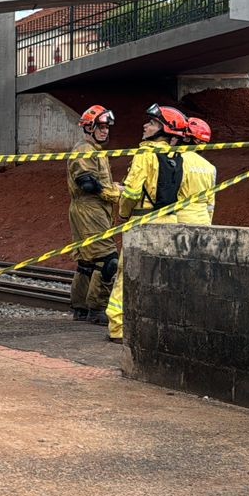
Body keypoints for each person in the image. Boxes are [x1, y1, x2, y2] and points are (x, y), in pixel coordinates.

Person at [105, 104, 190, 343]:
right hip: (169, 221)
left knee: (127, 273)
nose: (145, 125)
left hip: (143, 220)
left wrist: (123, 212)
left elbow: (131, 193)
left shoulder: (145, 154)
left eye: (152, 123)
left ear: (164, 130)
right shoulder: (176, 157)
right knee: (161, 276)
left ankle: (118, 326)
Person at [66, 105, 120, 325]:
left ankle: (80, 308)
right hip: (90, 210)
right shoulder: (85, 151)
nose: (105, 131)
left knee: (87, 261)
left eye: (107, 127)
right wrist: (115, 192)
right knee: (108, 260)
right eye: (101, 126)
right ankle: (97, 309)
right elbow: (87, 183)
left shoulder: (92, 149)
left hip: (90, 209)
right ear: (89, 127)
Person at [177, 117, 217, 226]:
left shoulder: (177, 160)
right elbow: (210, 203)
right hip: (204, 222)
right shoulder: (210, 167)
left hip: (180, 221)